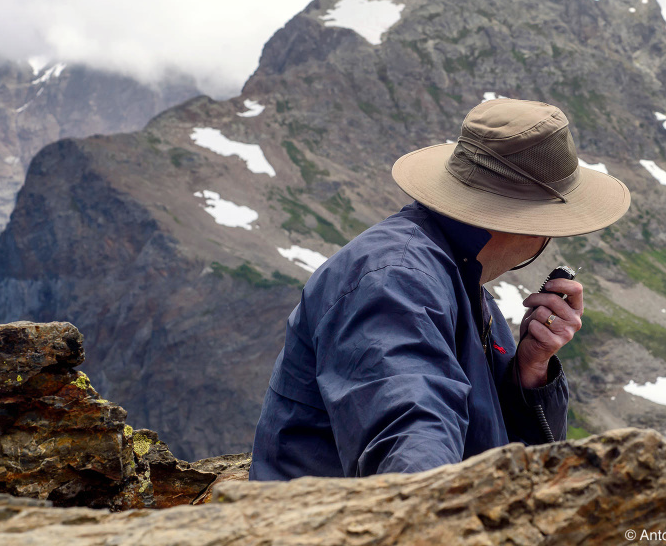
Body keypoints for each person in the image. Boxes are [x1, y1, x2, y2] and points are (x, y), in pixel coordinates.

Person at [249, 98, 630, 480]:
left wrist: (530, 371)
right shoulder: (396, 280)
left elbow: (509, 463)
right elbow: (411, 440)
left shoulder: (460, 280)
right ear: (536, 224)